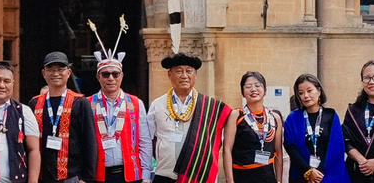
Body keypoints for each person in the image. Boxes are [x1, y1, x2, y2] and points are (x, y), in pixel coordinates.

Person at [144, 52, 232, 183]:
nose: (184, 76)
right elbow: (147, 140)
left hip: (196, 176)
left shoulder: (209, 107)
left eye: (189, 71)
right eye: (179, 71)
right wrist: (146, 175)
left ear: (195, 75)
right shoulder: (157, 104)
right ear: (170, 74)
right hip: (164, 174)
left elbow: (218, 142)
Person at [83, 43, 147, 183]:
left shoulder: (136, 103)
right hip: (98, 175)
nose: (111, 78)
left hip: (130, 174)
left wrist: (146, 174)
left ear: (122, 76)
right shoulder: (87, 104)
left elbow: (145, 141)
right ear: (98, 77)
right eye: (106, 74)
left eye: (115, 74)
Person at [29, 52, 91, 183]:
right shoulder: (34, 103)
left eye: (60, 69)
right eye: (50, 69)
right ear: (44, 73)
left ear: (68, 73)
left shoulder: (80, 102)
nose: (55, 73)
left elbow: (89, 142)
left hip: (72, 175)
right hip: (42, 175)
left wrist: (86, 178)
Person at [283, 74, 346, 183]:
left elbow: (337, 147)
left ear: (319, 91)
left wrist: (318, 172)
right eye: (301, 93)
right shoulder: (293, 118)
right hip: (302, 174)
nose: (305, 96)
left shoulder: (331, 115)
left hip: (328, 175)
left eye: (309, 91)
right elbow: (290, 147)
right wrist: (308, 171)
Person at [223, 72, 282, 183]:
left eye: (257, 85)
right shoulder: (236, 115)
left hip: (268, 176)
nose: (253, 89)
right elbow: (227, 149)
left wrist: (279, 180)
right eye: (248, 87)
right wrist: (229, 180)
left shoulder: (274, 117)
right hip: (242, 176)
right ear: (243, 92)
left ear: (264, 90)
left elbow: (278, 152)